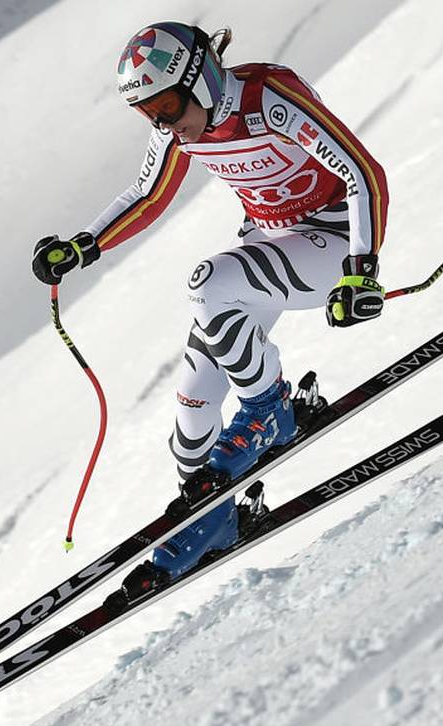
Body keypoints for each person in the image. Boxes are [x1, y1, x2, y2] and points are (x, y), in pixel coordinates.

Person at [31, 21, 389, 590]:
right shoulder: (181, 130)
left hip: (336, 241)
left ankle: (269, 407)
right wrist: (82, 244)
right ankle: (212, 524)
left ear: (200, 76)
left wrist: (361, 271)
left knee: (209, 282)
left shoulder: (268, 99)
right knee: (192, 415)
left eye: (168, 105)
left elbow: (363, 173)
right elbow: (146, 195)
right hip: (272, 244)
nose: (165, 122)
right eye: (149, 114)